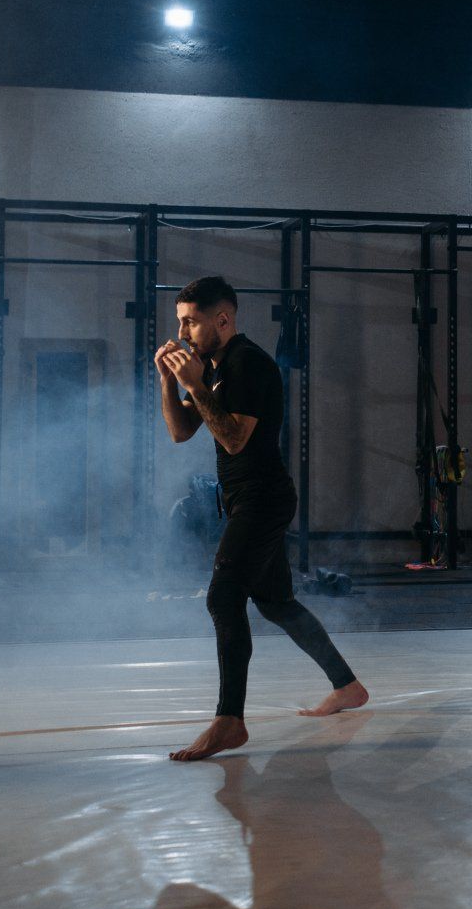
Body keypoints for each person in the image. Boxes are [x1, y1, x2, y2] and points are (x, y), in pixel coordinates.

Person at [156, 276, 367, 760]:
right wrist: (171, 381)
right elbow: (180, 431)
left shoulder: (248, 363)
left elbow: (233, 439)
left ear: (223, 320)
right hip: (242, 500)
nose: (183, 332)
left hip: (264, 499)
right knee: (276, 603)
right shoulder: (213, 366)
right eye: (180, 322)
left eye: (190, 321)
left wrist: (192, 381)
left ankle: (230, 720)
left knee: (223, 596)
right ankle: (347, 686)